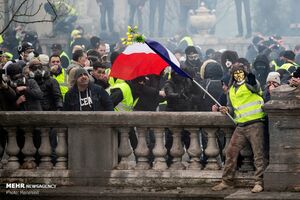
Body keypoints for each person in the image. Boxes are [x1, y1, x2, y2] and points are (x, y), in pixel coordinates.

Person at [212, 62, 266, 193]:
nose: (238, 75)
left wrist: (249, 72)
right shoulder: (231, 90)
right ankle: (227, 181)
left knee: (258, 155)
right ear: (233, 75)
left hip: (256, 123)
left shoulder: (250, 83)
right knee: (230, 153)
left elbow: (256, 86)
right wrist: (226, 109)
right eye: (236, 73)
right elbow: (232, 108)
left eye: (240, 72)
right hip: (240, 126)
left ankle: (259, 182)